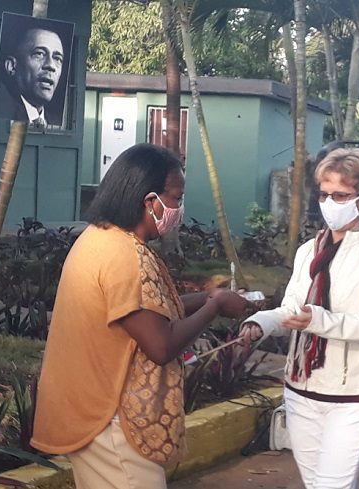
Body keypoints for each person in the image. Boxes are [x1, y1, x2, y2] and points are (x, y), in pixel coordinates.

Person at [31, 143, 249, 488]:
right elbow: (160, 345)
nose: (179, 208)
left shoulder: (101, 238)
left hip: (90, 410)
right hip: (111, 421)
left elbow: (149, 309)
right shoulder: (124, 256)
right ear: (150, 201)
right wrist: (216, 307)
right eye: (176, 198)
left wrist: (208, 296)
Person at [239, 148, 359, 489]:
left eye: (340, 195)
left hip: (353, 396)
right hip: (301, 390)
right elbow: (291, 308)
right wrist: (260, 323)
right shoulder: (307, 252)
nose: (329, 203)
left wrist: (317, 319)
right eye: (324, 194)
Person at [0, 20, 65, 126]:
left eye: (57, 58)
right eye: (39, 54)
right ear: (11, 66)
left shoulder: (58, 121)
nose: (50, 65)